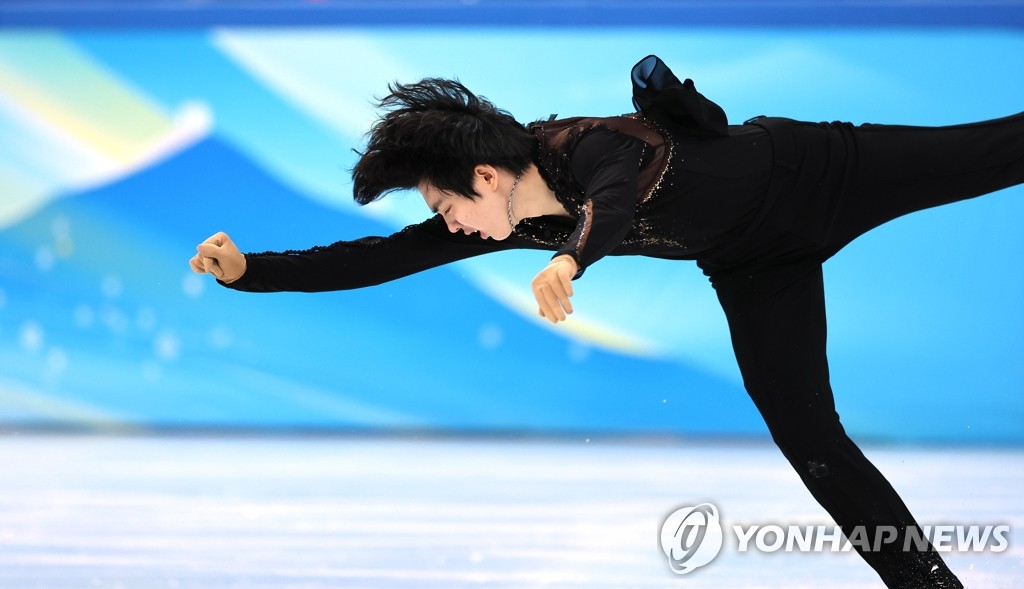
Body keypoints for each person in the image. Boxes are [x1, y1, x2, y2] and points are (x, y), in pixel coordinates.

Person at [189, 55, 1023, 588]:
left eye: (446, 204)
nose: (447, 223)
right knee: (810, 437)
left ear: (487, 175)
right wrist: (250, 272)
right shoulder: (507, 214)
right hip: (757, 265)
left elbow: (614, 204)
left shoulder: (585, 146)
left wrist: (570, 260)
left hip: (821, 170)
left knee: (996, 152)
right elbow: (375, 259)